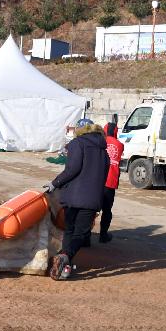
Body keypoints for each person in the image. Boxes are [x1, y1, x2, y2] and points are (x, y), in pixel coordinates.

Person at [44, 118, 109, 280]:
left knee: (71, 231)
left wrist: (54, 183)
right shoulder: (103, 150)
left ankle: (64, 256)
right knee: (81, 234)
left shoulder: (77, 144)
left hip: (73, 196)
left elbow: (72, 169)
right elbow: (104, 177)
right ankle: (64, 265)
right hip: (92, 198)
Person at [100, 122, 124, 243]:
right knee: (107, 210)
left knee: (91, 210)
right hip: (110, 181)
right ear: (115, 131)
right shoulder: (120, 144)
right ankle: (103, 235)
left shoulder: (100, 141)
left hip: (97, 180)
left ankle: (85, 236)